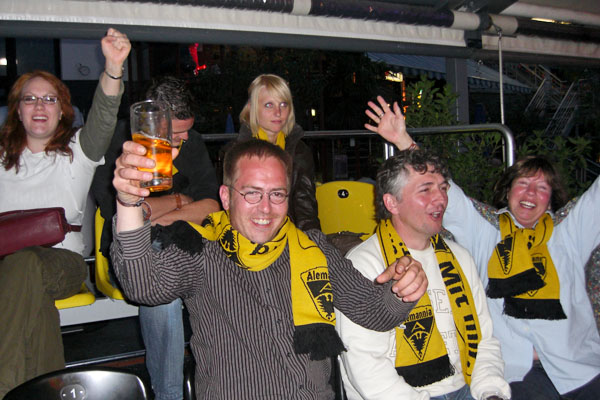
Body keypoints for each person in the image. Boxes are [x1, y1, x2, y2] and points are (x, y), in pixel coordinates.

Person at [110, 139, 428, 399]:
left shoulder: (312, 249)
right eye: (252, 193)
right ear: (226, 197)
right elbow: (143, 286)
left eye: (277, 194)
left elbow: (375, 312)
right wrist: (128, 202)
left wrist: (403, 290)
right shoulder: (202, 251)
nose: (265, 208)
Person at [366, 95, 600, 400]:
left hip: (579, 370)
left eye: (542, 187)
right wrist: (402, 140)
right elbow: (445, 193)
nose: (530, 193)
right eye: (522, 183)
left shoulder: (569, 232)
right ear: (508, 190)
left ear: (551, 198)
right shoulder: (486, 232)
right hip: (514, 374)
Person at [0, 28, 130, 397]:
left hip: (62, 264)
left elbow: (104, 117)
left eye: (50, 99)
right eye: (30, 99)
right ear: (18, 110)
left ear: (62, 111)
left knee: (24, 265)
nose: (40, 106)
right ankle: (45, 390)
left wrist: (114, 67)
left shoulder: (77, 150)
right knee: (32, 302)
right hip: (10, 270)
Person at [336, 149, 510, 400]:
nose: (441, 199)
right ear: (392, 203)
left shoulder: (460, 258)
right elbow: (366, 367)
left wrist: (491, 391)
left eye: (443, 188)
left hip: (466, 388)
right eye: (426, 189)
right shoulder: (364, 265)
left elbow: (483, 341)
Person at [92, 76, 220, 400]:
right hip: (134, 256)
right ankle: (168, 394)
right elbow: (121, 215)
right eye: (176, 134)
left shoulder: (193, 144)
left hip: (189, 245)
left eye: (188, 131)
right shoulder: (122, 144)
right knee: (162, 289)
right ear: (153, 124)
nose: (184, 139)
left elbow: (212, 205)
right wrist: (181, 200)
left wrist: (160, 212)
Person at [238, 74, 320, 231]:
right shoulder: (237, 153)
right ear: (252, 108)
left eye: (283, 104)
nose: (278, 112)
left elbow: (306, 208)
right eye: (269, 105)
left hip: (290, 234)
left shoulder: (300, 151)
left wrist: (312, 240)